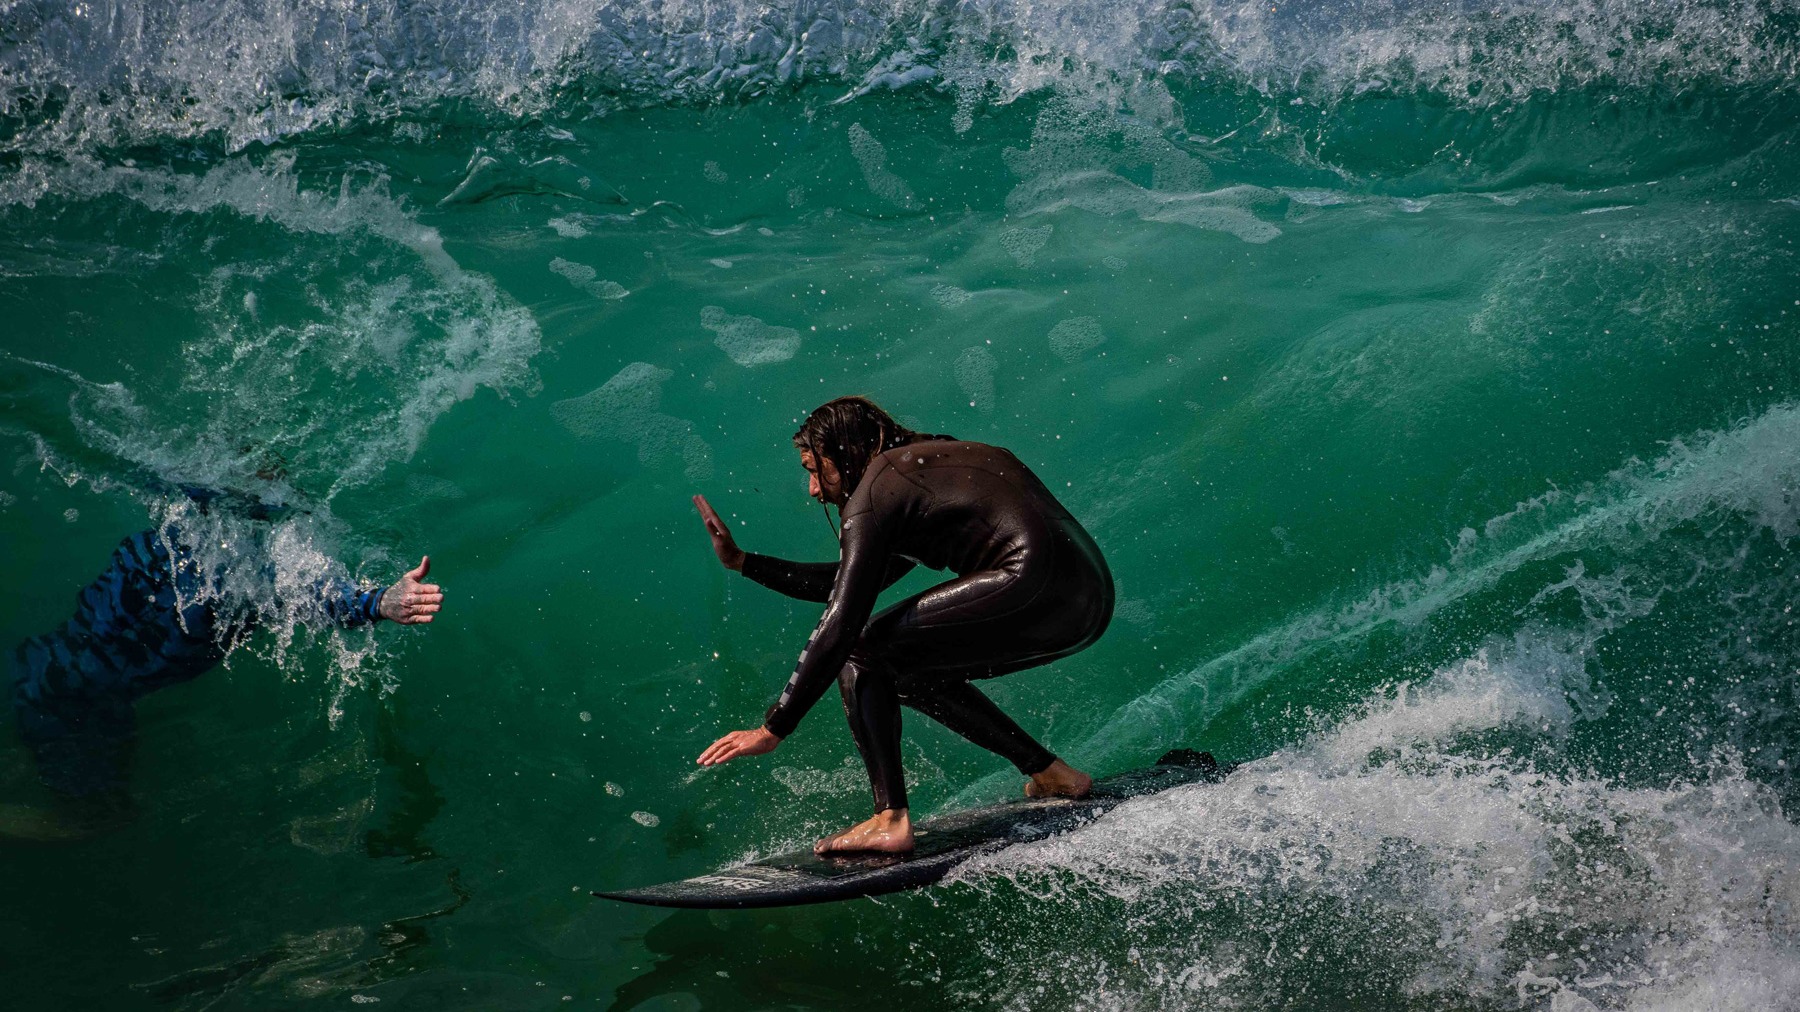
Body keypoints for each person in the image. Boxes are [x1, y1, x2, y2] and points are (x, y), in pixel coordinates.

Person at [692, 396, 1113, 854]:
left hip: (1031, 583)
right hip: (1087, 598)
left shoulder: (877, 491)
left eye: (815, 468)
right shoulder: (929, 464)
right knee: (904, 669)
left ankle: (890, 818)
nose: (813, 489)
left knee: (861, 651)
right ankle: (1051, 774)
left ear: (846, 452)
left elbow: (842, 621)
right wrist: (742, 562)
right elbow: (846, 582)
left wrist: (773, 727)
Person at [5, 488, 442, 839]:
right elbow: (320, 597)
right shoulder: (253, 579)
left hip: (34, 661)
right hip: (82, 707)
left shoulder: (165, 536)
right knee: (100, 818)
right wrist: (380, 602)